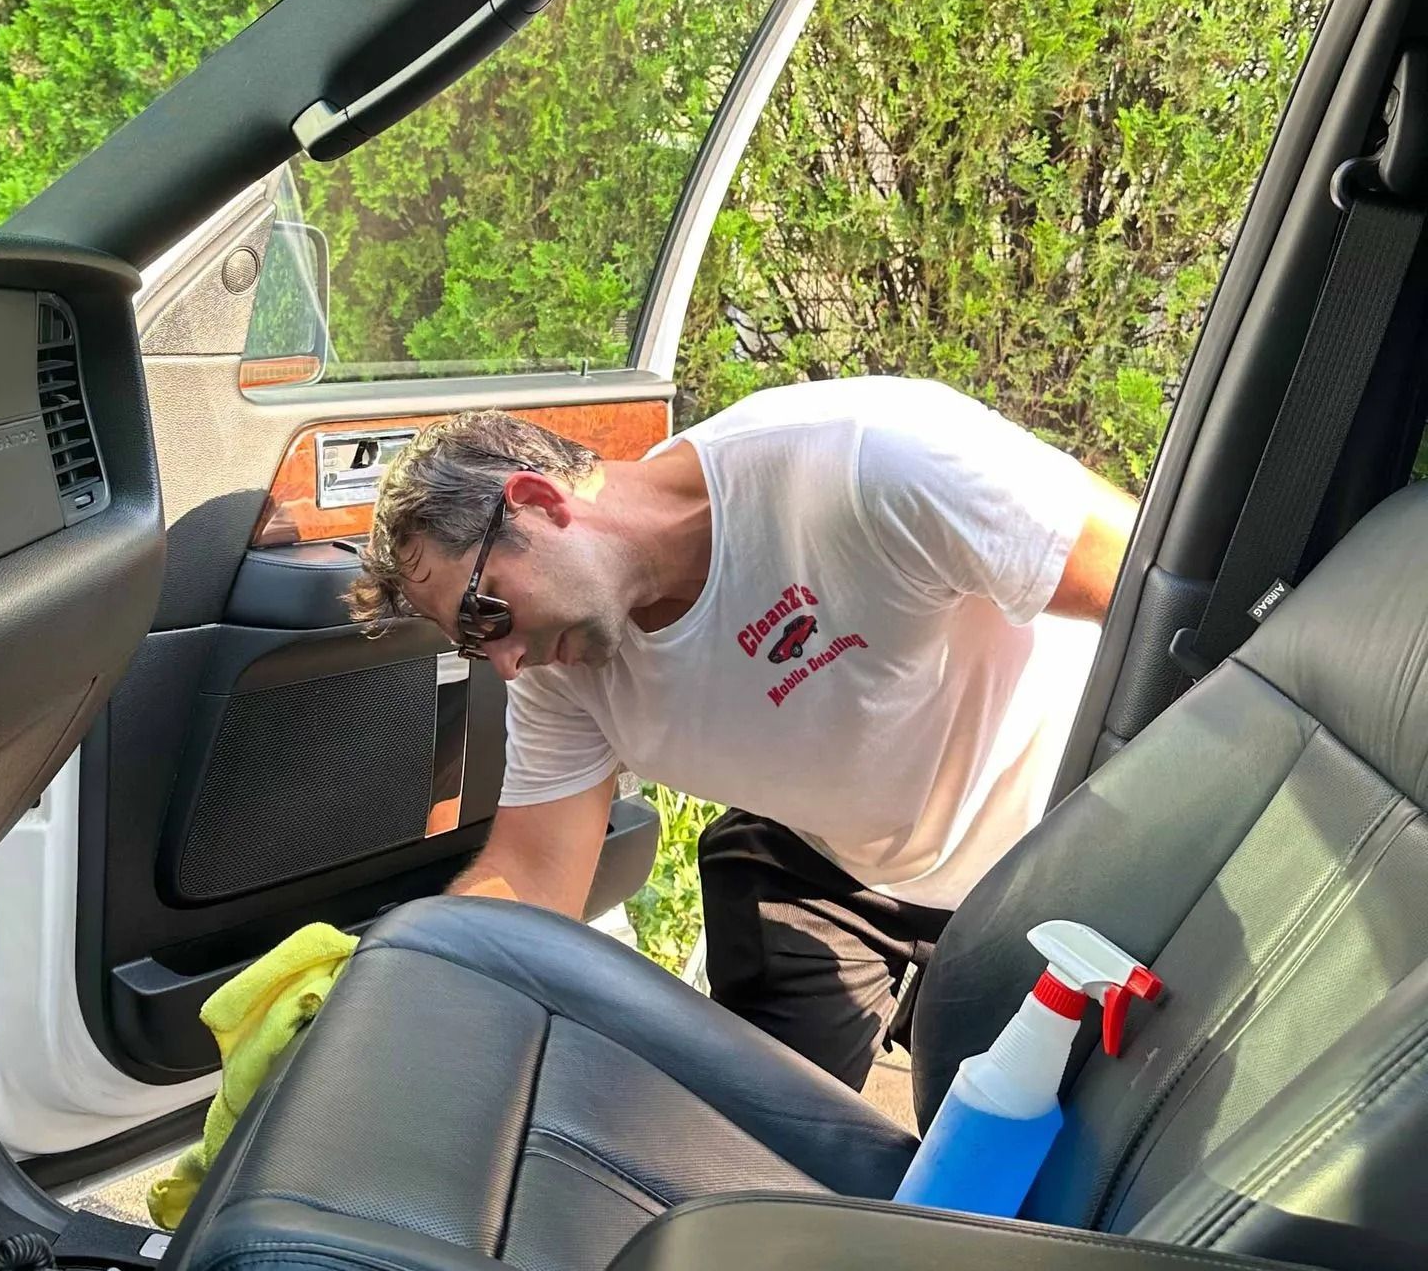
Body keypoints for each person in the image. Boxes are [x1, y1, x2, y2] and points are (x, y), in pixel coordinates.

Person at [348, 382, 1136, 1091]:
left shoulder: (865, 460)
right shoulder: (564, 672)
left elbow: (1152, 587)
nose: (509, 664)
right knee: (746, 1138)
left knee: (989, 1159)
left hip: (1045, 846)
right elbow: (530, 876)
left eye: (488, 615)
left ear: (537, 502)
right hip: (832, 867)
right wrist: (393, 982)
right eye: (473, 645)